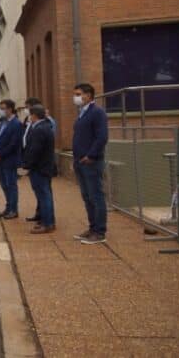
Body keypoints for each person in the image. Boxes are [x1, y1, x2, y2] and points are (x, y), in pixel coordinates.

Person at [72, 83, 109, 245]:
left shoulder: (97, 112)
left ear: (88, 95)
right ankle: (92, 228)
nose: (76, 97)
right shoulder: (82, 112)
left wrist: (91, 155)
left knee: (96, 196)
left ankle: (100, 232)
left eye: (78, 94)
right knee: (87, 197)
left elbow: (102, 137)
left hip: (91, 162)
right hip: (80, 161)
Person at [20, 104, 57, 233]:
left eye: (30, 114)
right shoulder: (43, 127)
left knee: (44, 195)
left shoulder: (40, 129)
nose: (29, 117)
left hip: (40, 168)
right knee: (44, 195)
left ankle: (48, 223)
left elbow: (34, 150)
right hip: (42, 167)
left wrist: (26, 165)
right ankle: (47, 221)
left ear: (34, 115)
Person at [0, 99, 23, 220]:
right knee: (4, 184)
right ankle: (8, 207)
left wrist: (1, 154)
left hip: (9, 159)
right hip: (0, 159)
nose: (1, 111)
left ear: (10, 109)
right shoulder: (4, 122)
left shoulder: (16, 124)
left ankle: (13, 210)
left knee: (11, 185)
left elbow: (14, 143)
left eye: (3, 108)